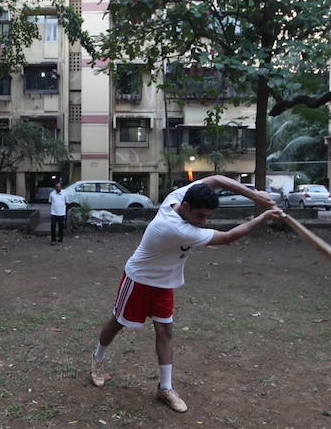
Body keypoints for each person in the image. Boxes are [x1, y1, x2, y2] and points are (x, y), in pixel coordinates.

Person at [89, 175, 283, 412]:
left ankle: (165, 387)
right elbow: (228, 237)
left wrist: (255, 196)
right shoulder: (175, 228)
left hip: (164, 283)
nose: (202, 222)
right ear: (186, 207)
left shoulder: (178, 198)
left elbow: (215, 179)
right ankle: (97, 360)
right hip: (139, 279)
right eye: (200, 216)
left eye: (207, 217)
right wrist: (262, 216)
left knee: (165, 329)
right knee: (118, 322)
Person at [49, 181, 67, 245]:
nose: (58, 188)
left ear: (61, 187)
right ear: (55, 188)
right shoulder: (52, 194)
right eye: (57, 187)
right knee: (53, 227)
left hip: (61, 213)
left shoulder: (64, 193)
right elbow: (50, 202)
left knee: (61, 227)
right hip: (54, 213)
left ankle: (60, 240)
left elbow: (66, 202)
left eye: (59, 187)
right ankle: (53, 240)